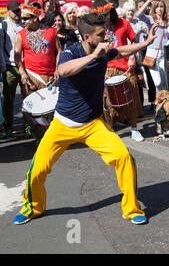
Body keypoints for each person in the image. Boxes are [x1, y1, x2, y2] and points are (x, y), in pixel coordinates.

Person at [12, 13, 159, 226]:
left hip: (93, 124)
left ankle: (131, 208)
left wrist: (145, 43)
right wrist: (94, 56)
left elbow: (121, 51)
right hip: (63, 124)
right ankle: (33, 207)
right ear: (87, 37)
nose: (107, 37)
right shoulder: (71, 52)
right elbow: (63, 70)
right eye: (101, 34)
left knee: (125, 157)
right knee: (36, 170)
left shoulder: (104, 50)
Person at [93, 0, 145, 142]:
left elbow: (135, 43)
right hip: (105, 69)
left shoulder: (124, 23)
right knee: (106, 103)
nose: (105, 18)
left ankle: (134, 129)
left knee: (131, 99)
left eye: (106, 14)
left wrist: (132, 57)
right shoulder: (96, 28)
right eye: (101, 15)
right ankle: (111, 131)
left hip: (124, 67)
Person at [15, 4, 61, 94]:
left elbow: (59, 51)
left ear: (35, 18)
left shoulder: (51, 32)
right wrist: (23, 73)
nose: (22, 21)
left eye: (25, 19)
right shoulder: (21, 34)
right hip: (32, 76)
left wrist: (57, 69)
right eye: (21, 19)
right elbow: (17, 56)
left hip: (51, 77)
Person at [0, 1, 25, 136]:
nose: (17, 13)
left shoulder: (24, 24)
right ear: (8, 11)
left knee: (27, 97)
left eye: (19, 10)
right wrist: (3, 67)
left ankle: (28, 126)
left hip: (25, 66)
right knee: (9, 98)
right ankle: (8, 126)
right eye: (15, 11)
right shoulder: (3, 25)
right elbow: (1, 47)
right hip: (10, 67)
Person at [143, 0, 169, 107]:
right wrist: (148, 0)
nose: (159, 9)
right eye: (157, 7)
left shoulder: (168, 21)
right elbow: (138, 15)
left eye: (161, 6)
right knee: (157, 82)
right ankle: (161, 103)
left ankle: (162, 105)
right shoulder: (150, 19)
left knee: (164, 83)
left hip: (164, 53)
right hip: (152, 52)